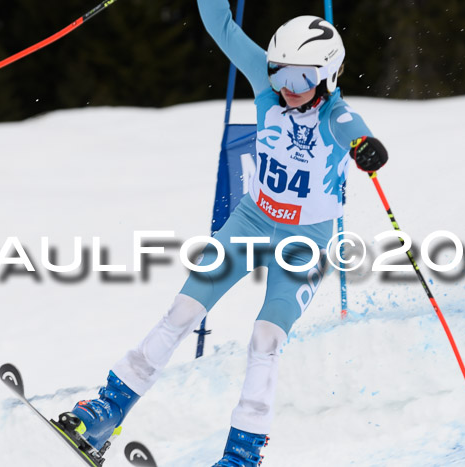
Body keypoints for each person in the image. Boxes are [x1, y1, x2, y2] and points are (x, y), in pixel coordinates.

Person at [53, 1, 388, 465]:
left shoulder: (335, 115)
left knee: (266, 338)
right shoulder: (268, 88)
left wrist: (366, 148)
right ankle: (107, 410)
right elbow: (220, 24)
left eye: (301, 80)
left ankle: (241, 456)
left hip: (305, 242)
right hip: (252, 220)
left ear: (328, 77)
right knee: (182, 309)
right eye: (278, 75)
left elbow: (356, 131)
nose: (286, 89)